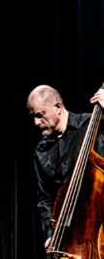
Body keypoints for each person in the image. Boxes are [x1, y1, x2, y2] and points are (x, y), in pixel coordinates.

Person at [28, 85, 104, 248]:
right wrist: (51, 233)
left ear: (58, 107)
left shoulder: (93, 125)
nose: (36, 122)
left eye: (40, 115)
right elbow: (45, 198)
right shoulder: (42, 151)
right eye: (33, 116)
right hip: (69, 239)